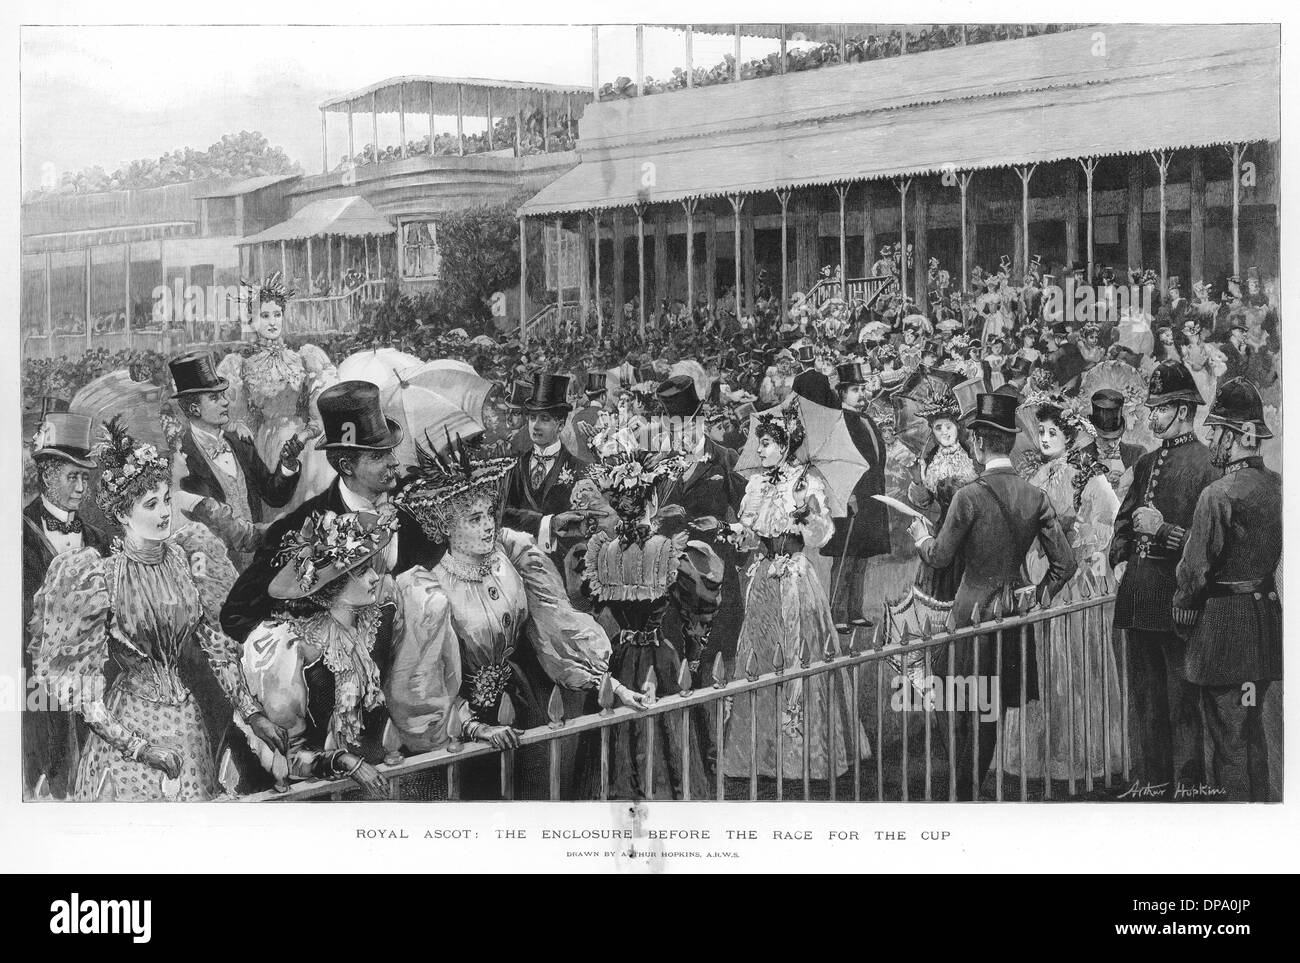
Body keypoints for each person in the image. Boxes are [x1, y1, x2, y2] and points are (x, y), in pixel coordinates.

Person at [27, 418, 284, 801]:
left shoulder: (187, 557)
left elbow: (216, 647)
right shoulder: (99, 577)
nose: (165, 512)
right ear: (121, 515)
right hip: (128, 729)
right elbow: (86, 699)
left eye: (167, 499)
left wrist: (253, 713)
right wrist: (140, 749)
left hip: (187, 723)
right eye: (151, 504)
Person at [385, 438, 643, 800]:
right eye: (473, 519)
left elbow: (556, 626)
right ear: (445, 526)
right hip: (472, 725)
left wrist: (610, 686)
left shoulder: (512, 552)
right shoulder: (427, 592)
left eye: (489, 513)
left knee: (543, 795)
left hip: (530, 701)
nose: (488, 525)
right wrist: (473, 727)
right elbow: (420, 683)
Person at [907, 391, 1077, 800]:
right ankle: (972, 785)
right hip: (1012, 613)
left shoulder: (969, 496)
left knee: (957, 700)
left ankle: (962, 789)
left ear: (979, 443)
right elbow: (1065, 565)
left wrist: (921, 538)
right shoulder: (1035, 496)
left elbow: (941, 556)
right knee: (991, 707)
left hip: (969, 612)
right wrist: (1038, 596)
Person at [220, 380, 440, 643]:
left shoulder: (416, 504)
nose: (394, 462)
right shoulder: (298, 529)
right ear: (347, 465)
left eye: (390, 451)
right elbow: (236, 617)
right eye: (378, 456)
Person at [722, 406, 868, 784]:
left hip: (795, 576)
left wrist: (806, 511)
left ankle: (804, 754)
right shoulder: (755, 486)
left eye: (767, 443)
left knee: (798, 650)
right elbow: (754, 533)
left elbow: (822, 537)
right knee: (760, 652)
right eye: (760, 443)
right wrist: (741, 535)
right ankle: (760, 754)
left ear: (785, 444)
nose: (761, 450)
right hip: (764, 580)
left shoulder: (806, 481)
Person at [578, 452, 722, 798]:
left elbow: (593, 599)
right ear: (649, 500)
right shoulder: (666, 550)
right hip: (659, 656)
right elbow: (701, 601)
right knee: (666, 736)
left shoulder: (603, 550)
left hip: (621, 655)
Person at [999, 398, 1123, 783]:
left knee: (1071, 659)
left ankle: (1074, 752)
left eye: (1054, 432)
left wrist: (1078, 535)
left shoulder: (1088, 474)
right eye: (1043, 432)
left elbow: (1110, 525)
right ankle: (1040, 752)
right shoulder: (1034, 478)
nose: (1047, 438)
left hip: (1076, 579)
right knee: (1041, 658)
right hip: (1041, 571)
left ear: (1069, 436)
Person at [1109, 361, 1218, 797]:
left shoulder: (1209, 463)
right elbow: (1122, 521)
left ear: (1182, 409)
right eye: (1152, 408)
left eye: (1160, 408)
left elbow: (1210, 547)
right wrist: (1119, 559)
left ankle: (1186, 784)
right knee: (1145, 698)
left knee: (1180, 700)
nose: (1150, 416)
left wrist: (1160, 531)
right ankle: (1152, 781)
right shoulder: (1148, 460)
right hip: (1138, 597)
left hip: (1178, 599)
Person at [232, 511, 395, 798]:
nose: (374, 577)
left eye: (370, 567)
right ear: (329, 587)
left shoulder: (372, 621)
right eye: (360, 571)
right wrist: (344, 762)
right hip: (281, 788)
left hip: (348, 778)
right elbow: (287, 757)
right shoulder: (287, 645)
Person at [1172, 379, 1281, 801]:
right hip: (1266, 627)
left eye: (1218, 430)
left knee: (1228, 742)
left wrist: (1183, 609)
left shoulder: (1216, 495)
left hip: (1224, 633)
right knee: (1255, 734)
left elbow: (1193, 572)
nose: (1212, 438)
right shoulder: (1280, 488)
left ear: (1240, 436)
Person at [22, 412, 109, 798]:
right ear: (47, 477)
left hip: (93, 682)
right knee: (47, 777)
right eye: (72, 477)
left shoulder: (98, 539)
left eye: (85, 478)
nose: (80, 488)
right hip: (35, 685)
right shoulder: (18, 533)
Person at [168, 352, 305, 567]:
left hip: (259, 562)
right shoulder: (181, 458)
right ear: (194, 408)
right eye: (215, 398)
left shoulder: (240, 442)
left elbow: (273, 496)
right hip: (217, 567)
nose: (225, 403)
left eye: (223, 395)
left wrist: (287, 465)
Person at [216, 273, 338, 513]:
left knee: (311, 509)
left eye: (277, 314)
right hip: (267, 444)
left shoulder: (304, 358)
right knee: (278, 508)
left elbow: (319, 412)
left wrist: (303, 437)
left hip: (303, 443)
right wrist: (240, 429)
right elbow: (237, 417)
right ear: (252, 321)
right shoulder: (242, 365)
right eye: (264, 315)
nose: (272, 322)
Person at [652, 376, 746, 684]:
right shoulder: (659, 464)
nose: (679, 434)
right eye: (672, 427)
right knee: (674, 665)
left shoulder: (725, 459)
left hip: (717, 578)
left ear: (701, 420)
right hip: (671, 581)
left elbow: (750, 518)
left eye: (686, 425)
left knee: (716, 665)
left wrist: (721, 527)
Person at [500, 373, 590, 575]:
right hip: (518, 568)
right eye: (532, 418)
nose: (536, 425)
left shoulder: (579, 469)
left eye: (545, 419)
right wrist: (548, 523)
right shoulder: (514, 467)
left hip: (562, 572)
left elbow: (582, 526)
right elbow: (503, 513)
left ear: (560, 424)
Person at [822, 362, 890, 629]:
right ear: (842, 393)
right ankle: (837, 614)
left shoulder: (867, 419)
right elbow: (833, 464)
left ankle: (854, 610)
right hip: (849, 500)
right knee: (845, 557)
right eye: (855, 390)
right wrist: (847, 496)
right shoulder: (837, 422)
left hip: (871, 497)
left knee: (862, 556)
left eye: (863, 388)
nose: (861, 394)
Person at [907, 390, 978, 603]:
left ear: (957, 427)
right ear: (933, 432)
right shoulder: (930, 461)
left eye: (949, 426)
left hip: (973, 529)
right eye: (938, 428)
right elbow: (923, 502)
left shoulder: (973, 456)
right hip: (945, 530)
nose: (945, 432)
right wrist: (918, 481)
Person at [1089, 389, 1145, 497]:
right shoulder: (1082, 456)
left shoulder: (1138, 454)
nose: (1112, 445)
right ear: (1093, 433)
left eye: (1116, 438)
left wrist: (1126, 481)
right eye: (1105, 439)